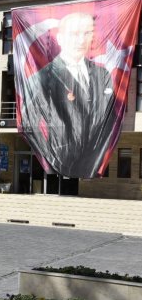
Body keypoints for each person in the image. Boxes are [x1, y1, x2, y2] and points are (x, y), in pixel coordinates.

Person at [24, 12, 115, 178]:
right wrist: (51, 155)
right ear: (60, 38)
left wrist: (98, 153)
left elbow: (110, 117)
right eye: (74, 34)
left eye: (87, 33)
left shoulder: (103, 74)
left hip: (92, 160)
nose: (81, 40)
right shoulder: (42, 77)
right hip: (61, 157)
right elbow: (29, 121)